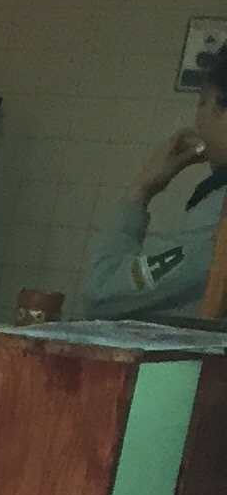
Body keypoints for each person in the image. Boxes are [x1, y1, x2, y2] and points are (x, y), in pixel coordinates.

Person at [83, 52, 227, 322]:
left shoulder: (217, 215)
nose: (198, 121)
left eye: (202, 103)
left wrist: (140, 190)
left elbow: (101, 294)